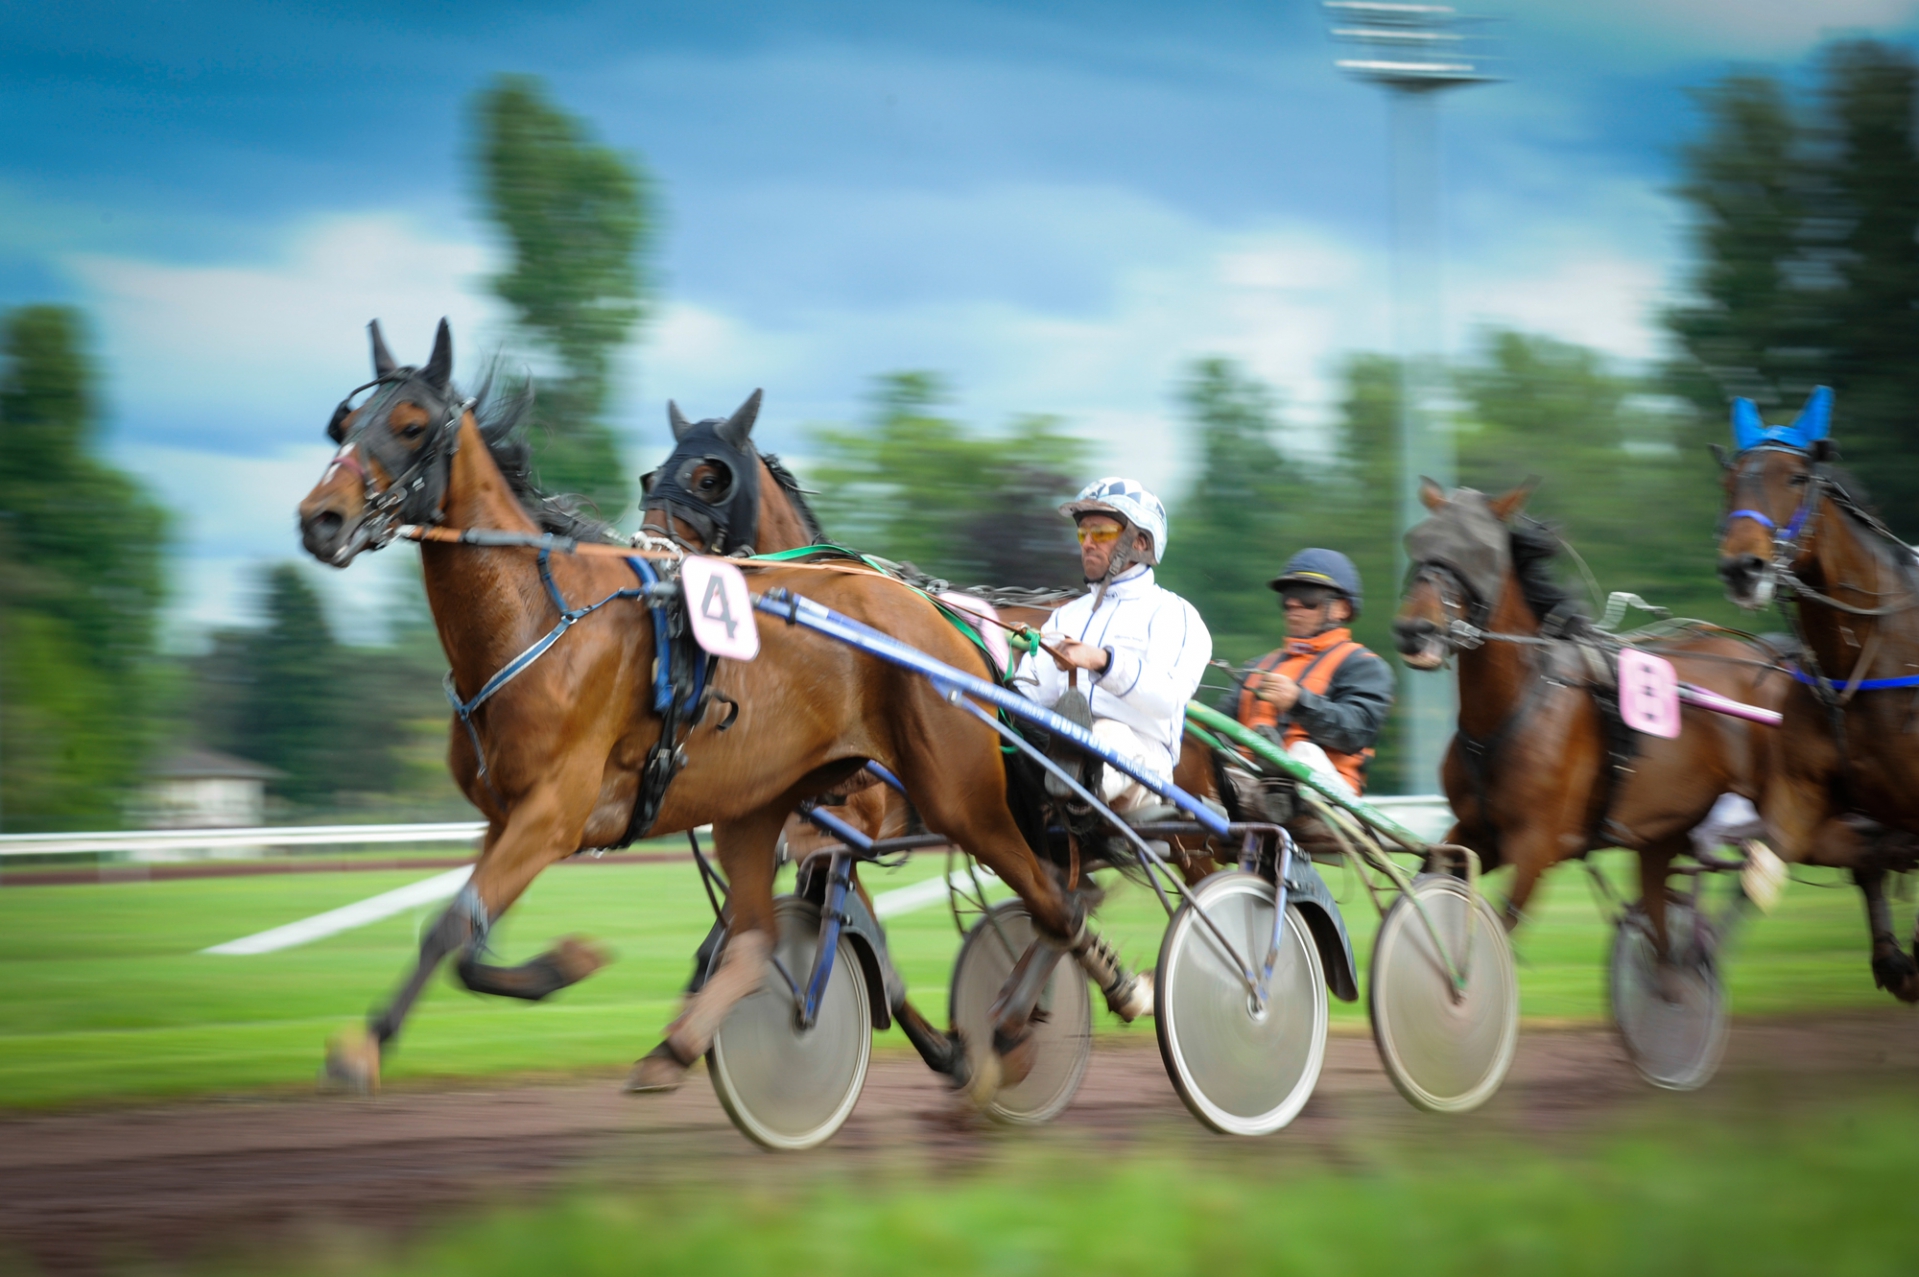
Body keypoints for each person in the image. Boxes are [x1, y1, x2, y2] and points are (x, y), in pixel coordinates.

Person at [1011, 477, 1211, 812]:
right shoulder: (1063, 618)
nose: (1087, 543)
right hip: (1064, 749)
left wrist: (1103, 661)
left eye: (1101, 533)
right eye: (1082, 534)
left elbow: (1168, 698)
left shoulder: (1175, 615)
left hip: (1145, 765)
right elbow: (1031, 700)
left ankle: (1067, 788)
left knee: (1105, 734)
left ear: (1140, 542)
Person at [1219, 548, 1394, 799]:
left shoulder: (1364, 666)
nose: (1292, 604)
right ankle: (1266, 779)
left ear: (1341, 609)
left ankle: (1280, 782)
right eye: (1287, 596)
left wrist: (1297, 702)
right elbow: (1219, 730)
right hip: (1246, 786)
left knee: (1304, 752)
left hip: (1331, 803)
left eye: (1307, 596)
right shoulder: (1257, 667)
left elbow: (1356, 734)